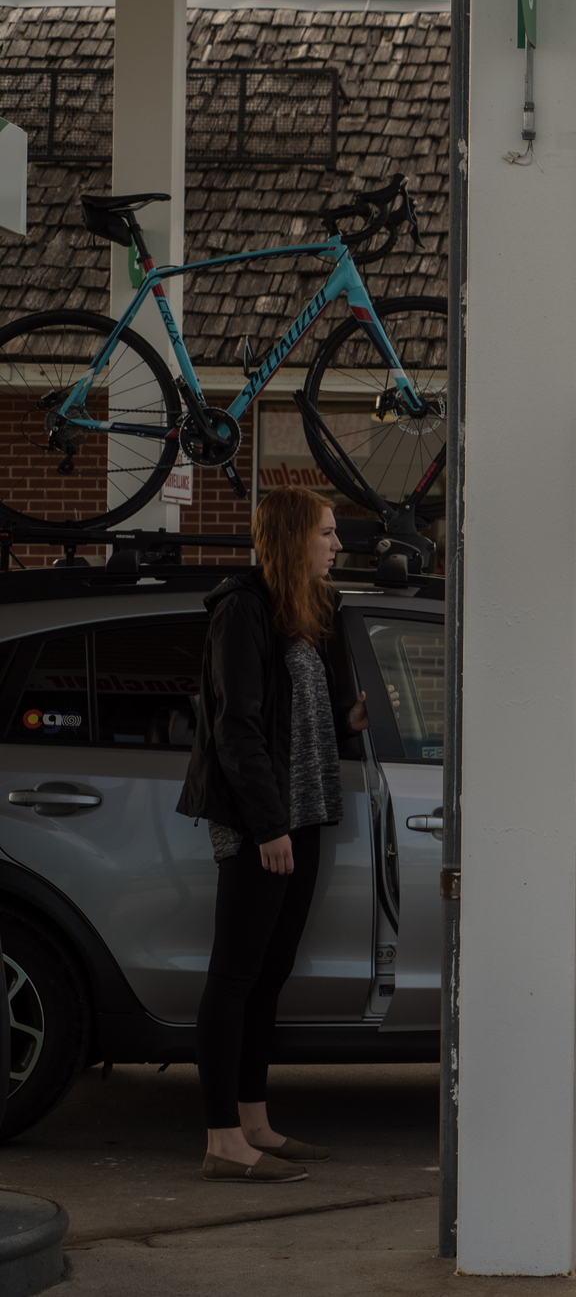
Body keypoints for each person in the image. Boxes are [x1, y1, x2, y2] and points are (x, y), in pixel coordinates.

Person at [176, 486, 368, 1182]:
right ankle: (222, 1137)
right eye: (326, 531)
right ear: (293, 538)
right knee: (233, 976)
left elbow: (294, 713)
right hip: (264, 823)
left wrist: (346, 721)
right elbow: (237, 727)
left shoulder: (302, 612)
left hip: (304, 814)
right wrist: (267, 824)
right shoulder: (242, 610)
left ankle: (254, 1119)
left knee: (268, 976)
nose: (336, 543)